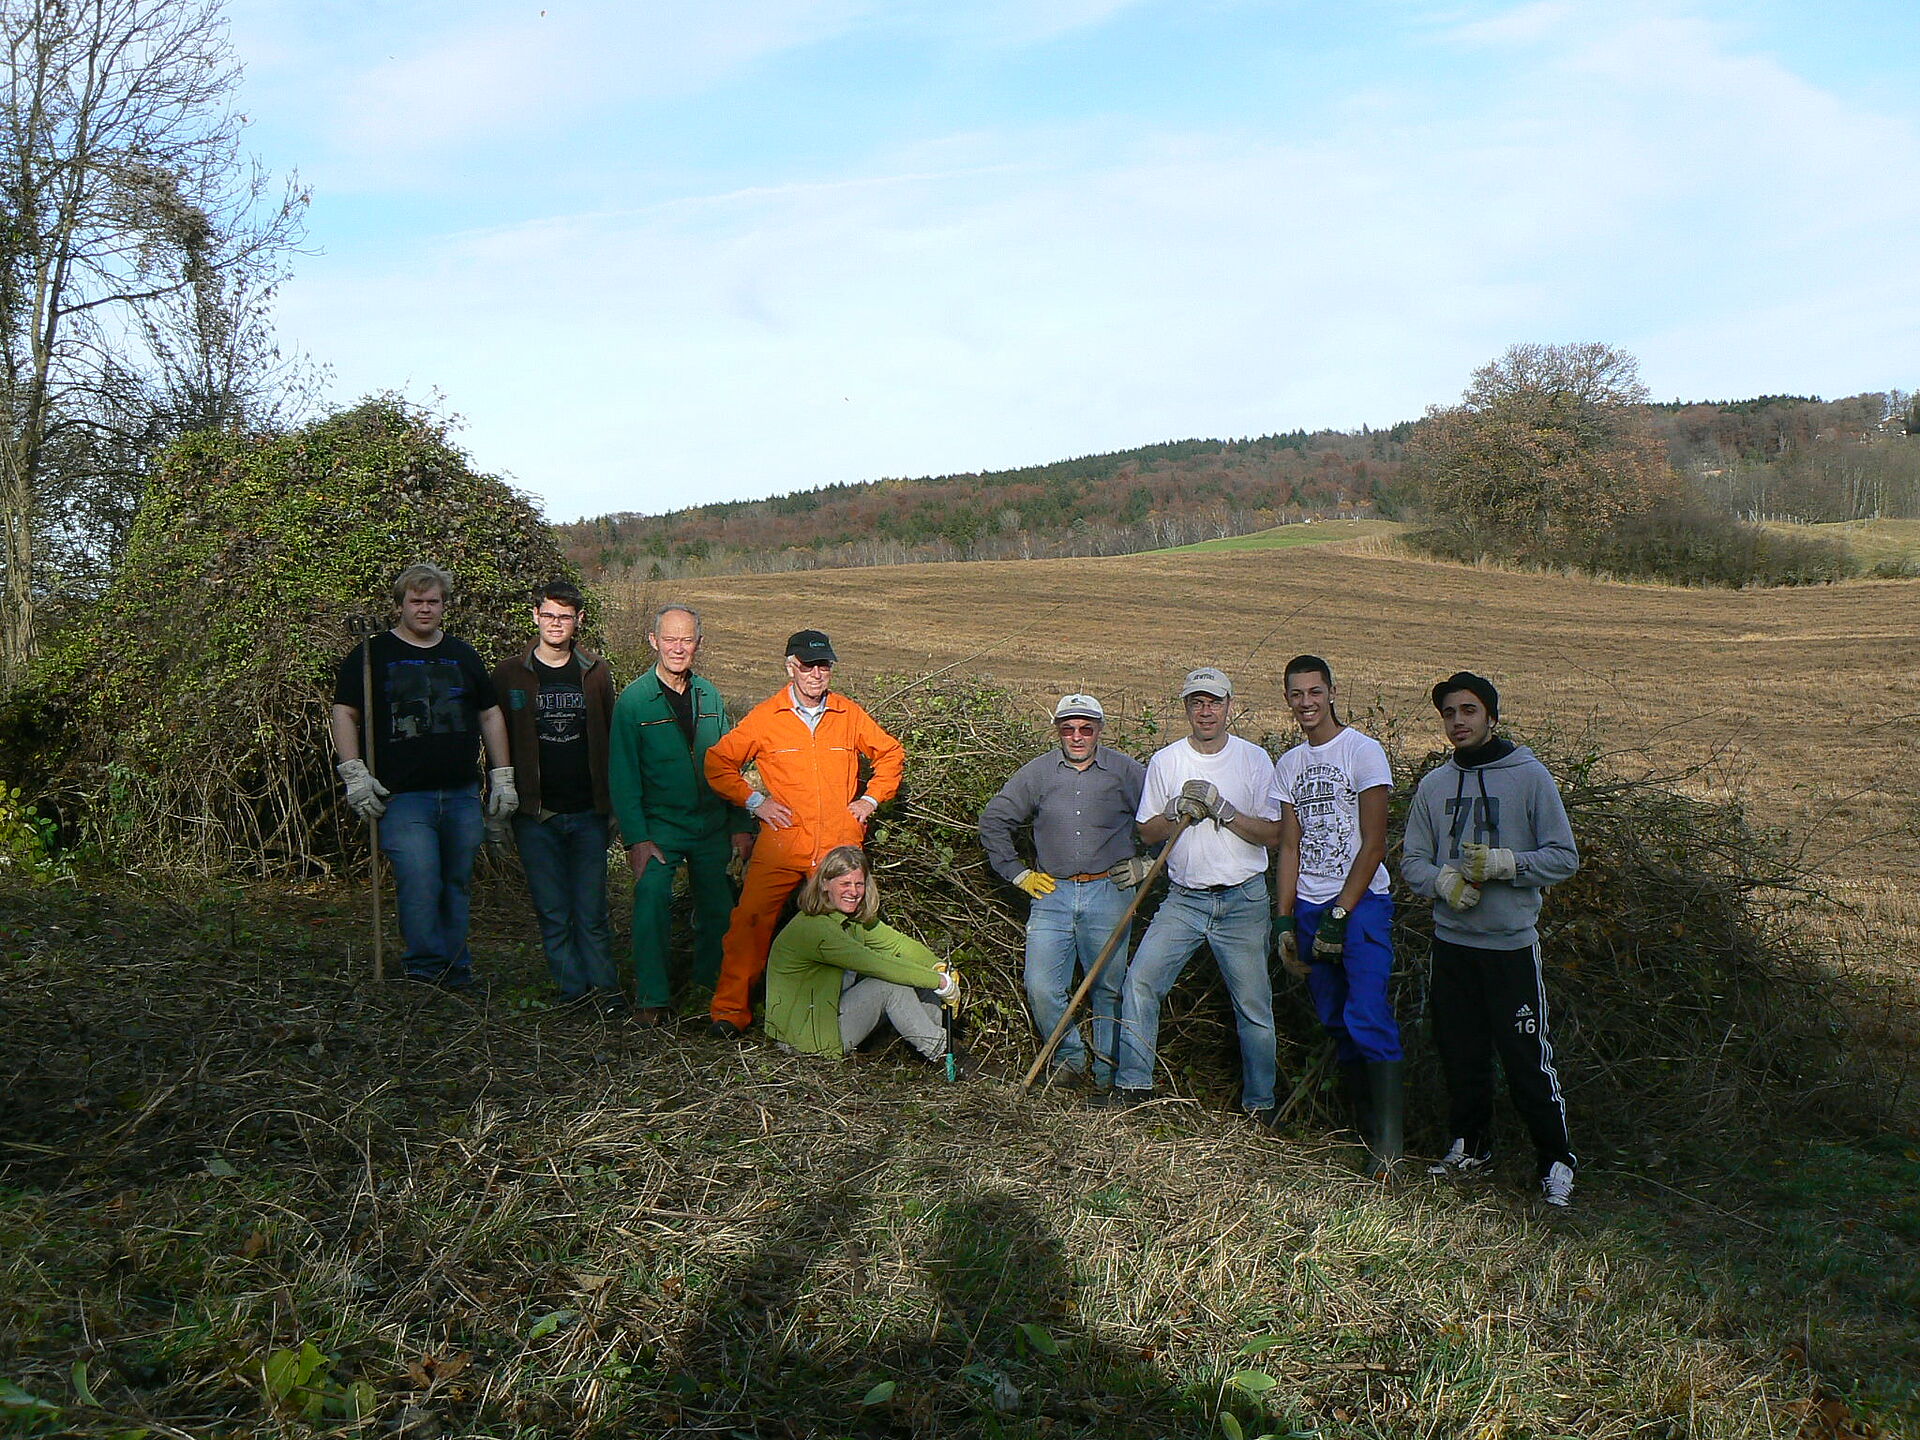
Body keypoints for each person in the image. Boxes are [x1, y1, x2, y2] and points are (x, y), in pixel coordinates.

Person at [1401, 672, 1582, 1207]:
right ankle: (1472, 1147)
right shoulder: (1434, 787)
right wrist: (1442, 881)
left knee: (1527, 1057)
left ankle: (1556, 1161)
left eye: (1469, 711)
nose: (1458, 722)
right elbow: (1411, 859)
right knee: (1461, 1052)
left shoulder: (1529, 778)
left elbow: (1564, 857)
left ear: (1491, 717)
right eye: (1449, 714)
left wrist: (1510, 864)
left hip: (1510, 948)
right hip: (1452, 945)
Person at [702, 630, 906, 1037]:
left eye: (823, 665)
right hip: (781, 842)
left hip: (837, 846)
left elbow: (891, 753)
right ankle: (729, 1014)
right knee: (750, 923)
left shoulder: (848, 715)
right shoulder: (766, 717)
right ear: (790, 666)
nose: (816, 673)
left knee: (848, 930)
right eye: (808, 665)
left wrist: (869, 801)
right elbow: (718, 763)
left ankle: (840, 1020)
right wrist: (756, 802)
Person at [1107, 667, 1283, 1118]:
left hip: (1243, 901)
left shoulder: (1254, 760)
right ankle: (1133, 1089)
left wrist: (1224, 810)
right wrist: (1174, 811)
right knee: (1141, 983)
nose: (1206, 711)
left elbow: (1273, 835)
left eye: (1214, 702)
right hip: (1184, 900)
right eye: (1196, 703)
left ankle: (1260, 1107)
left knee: (1253, 1006)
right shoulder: (1168, 761)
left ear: (1229, 705)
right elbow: (1147, 832)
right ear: (1185, 707)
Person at [331, 563, 513, 991]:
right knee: (420, 877)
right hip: (403, 796)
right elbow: (345, 711)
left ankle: (456, 967)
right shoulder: (372, 654)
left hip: (461, 793)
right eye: (417, 601)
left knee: (455, 881)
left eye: (433, 601)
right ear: (400, 605)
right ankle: (425, 970)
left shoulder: (463, 655)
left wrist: (501, 775)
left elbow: (489, 713)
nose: (425, 608)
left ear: (444, 606)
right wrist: (354, 773)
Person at [1269, 654, 1401, 1177]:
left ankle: (1388, 1153)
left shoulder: (1362, 752)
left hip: (1361, 904)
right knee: (1335, 1018)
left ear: (1331, 692)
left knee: (1367, 1013)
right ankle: (1363, 1131)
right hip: (1307, 903)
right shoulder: (1288, 766)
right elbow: (1289, 848)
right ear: (1287, 699)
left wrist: (1342, 911)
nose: (1306, 703)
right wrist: (1284, 920)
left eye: (1314, 692)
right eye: (1296, 694)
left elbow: (1375, 842)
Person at [979, 694, 1147, 1088]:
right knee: (1041, 986)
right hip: (1051, 894)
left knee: (1109, 989)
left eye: (1086, 728)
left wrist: (1148, 864)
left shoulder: (1126, 772)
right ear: (1057, 731)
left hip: (1109, 891)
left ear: (1100, 731)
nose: (1077, 736)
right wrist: (1018, 874)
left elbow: (1162, 820)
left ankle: (1107, 1075)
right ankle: (1070, 1059)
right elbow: (994, 819)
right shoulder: (1037, 774)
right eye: (1068, 728)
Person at [607, 605, 754, 1025]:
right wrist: (637, 838)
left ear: (698, 645)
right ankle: (652, 1000)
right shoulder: (633, 702)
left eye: (686, 639)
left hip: (710, 824)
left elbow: (730, 767)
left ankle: (709, 994)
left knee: (718, 909)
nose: (677, 647)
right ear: (653, 641)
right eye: (669, 639)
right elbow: (623, 775)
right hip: (660, 828)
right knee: (651, 900)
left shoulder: (709, 696)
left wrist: (741, 825)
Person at [490, 579, 620, 1008]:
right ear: (535, 617)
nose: (556, 623)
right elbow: (492, 732)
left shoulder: (595, 672)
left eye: (565, 616)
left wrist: (613, 804)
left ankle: (604, 992)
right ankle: (571, 992)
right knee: (552, 910)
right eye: (548, 615)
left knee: (592, 911)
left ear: (578, 621)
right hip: (536, 814)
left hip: (588, 812)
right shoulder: (511, 673)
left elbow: (611, 736)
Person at [763, 845, 961, 1066]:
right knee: (891, 985)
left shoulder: (854, 920)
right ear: (825, 884)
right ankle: (946, 1054)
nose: (853, 892)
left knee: (920, 980)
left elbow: (898, 944)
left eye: (859, 884)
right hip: (807, 1039)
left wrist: (938, 967)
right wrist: (940, 982)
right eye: (845, 884)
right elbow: (876, 964)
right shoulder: (815, 929)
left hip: (829, 1014)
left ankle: (934, 1047)